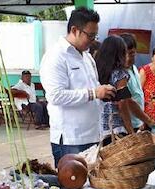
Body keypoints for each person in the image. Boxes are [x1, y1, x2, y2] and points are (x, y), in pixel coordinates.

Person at [39, 7, 115, 166]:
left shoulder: (87, 57)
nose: (93, 40)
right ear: (74, 30)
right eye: (90, 35)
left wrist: (103, 91)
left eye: (95, 35)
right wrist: (94, 93)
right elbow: (56, 96)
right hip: (70, 139)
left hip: (93, 135)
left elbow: (93, 89)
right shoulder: (56, 56)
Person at [95, 34, 155, 143]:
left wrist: (149, 121)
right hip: (117, 130)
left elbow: (128, 100)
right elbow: (123, 104)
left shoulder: (99, 71)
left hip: (102, 129)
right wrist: (131, 133)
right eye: (124, 52)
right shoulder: (120, 74)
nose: (127, 57)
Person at [120, 33, 155, 132]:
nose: (128, 58)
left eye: (132, 53)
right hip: (126, 127)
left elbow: (137, 94)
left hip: (137, 122)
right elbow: (127, 102)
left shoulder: (134, 68)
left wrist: (141, 122)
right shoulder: (120, 74)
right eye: (125, 54)